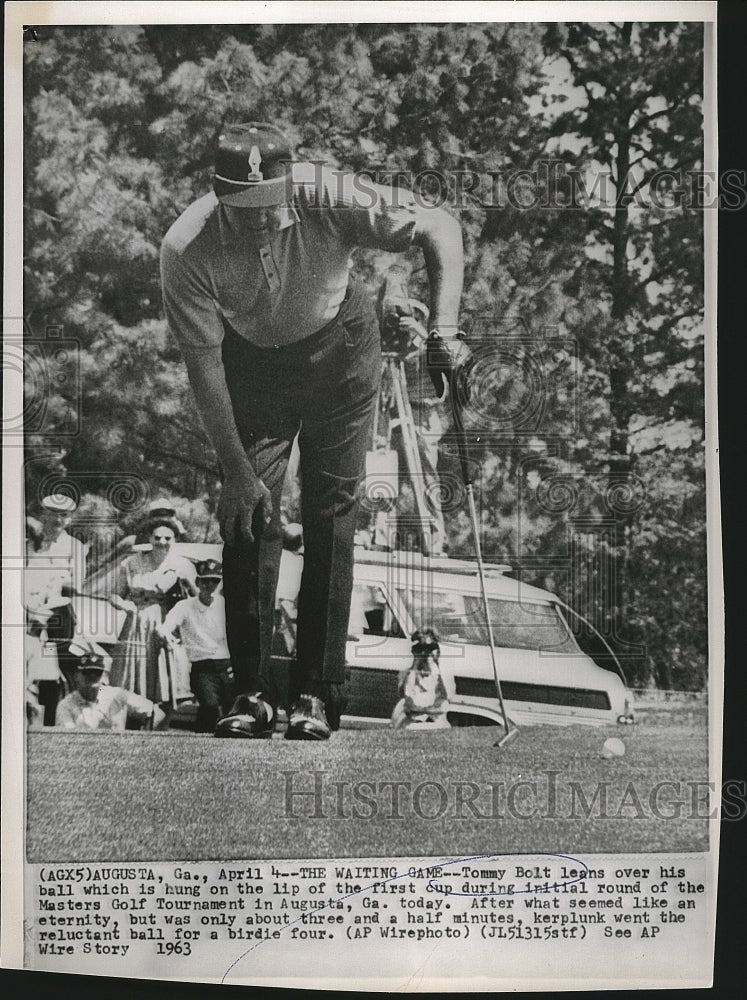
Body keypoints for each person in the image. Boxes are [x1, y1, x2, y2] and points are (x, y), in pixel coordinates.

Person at [161, 121, 469, 740]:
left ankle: (316, 693)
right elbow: (205, 369)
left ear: (288, 185)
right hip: (253, 363)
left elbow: (440, 226)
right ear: (215, 193)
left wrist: (445, 329)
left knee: (333, 511)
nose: (253, 221)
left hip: (341, 348)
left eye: (264, 206)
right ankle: (248, 690)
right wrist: (236, 472)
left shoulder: (328, 192)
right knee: (250, 509)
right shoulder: (185, 247)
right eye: (236, 207)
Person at [109, 518, 197, 704]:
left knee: (163, 671)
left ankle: (159, 721)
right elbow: (115, 595)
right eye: (157, 537)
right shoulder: (132, 563)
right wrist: (127, 606)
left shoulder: (182, 565)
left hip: (165, 621)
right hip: (136, 622)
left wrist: (186, 584)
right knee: (132, 670)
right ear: (149, 538)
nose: (162, 542)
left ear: (175, 540)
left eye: (168, 538)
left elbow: (195, 598)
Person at [25, 492, 89, 717]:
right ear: (43, 515)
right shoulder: (30, 543)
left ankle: (53, 720)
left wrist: (56, 579)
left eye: (63, 515)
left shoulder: (75, 547)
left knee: (53, 670)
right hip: (30, 608)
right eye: (52, 514)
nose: (57, 520)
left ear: (69, 519)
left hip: (57, 613)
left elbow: (77, 585)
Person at [158, 559, 233, 733]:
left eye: (215, 581)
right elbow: (165, 627)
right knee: (210, 705)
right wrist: (168, 638)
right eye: (205, 580)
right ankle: (202, 739)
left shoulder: (227, 605)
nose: (210, 585)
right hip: (202, 666)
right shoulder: (185, 606)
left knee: (232, 709)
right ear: (198, 582)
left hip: (227, 665)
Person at [55, 637, 165, 731]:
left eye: (97, 672)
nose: (92, 677)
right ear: (76, 675)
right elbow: (67, 739)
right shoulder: (66, 705)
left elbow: (157, 713)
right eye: (87, 672)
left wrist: (143, 740)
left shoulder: (116, 695)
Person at [391, 629, 450, 730]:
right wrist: (416, 663)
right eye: (422, 649)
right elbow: (408, 693)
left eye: (430, 648)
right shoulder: (408, 672)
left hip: (433, 720)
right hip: (412, 720)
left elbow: (443, 699)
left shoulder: (440, 672)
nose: (427, 654)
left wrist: (434, 663)